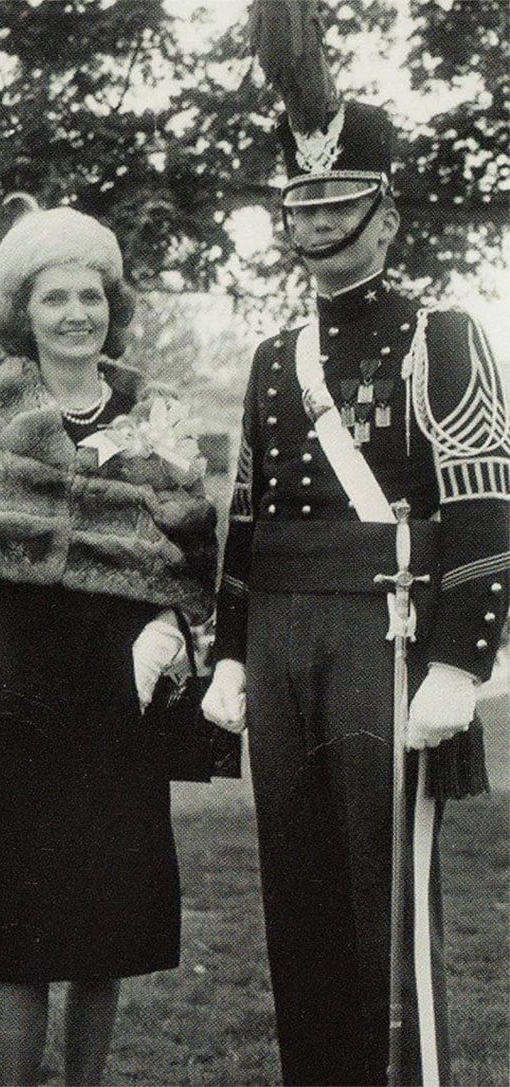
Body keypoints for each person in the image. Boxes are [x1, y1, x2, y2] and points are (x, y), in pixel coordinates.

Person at [202, 99, 509, 1085]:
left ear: (387, 212)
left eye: (342, 201)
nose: (321, 221)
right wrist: (232, 649)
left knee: (388, 904)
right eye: (303, 202)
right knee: (298, 898)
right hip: (283, 633)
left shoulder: (447, 336)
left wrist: (462, 661)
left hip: (389, 630)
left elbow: (485, 507)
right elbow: (246, 518)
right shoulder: (269, 358)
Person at [0, 203, 216, 1086]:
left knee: (106, 925)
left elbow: (195, 554)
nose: (77, 313)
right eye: (56, 298)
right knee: (19, 929)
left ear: (110, 307)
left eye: (92, 295)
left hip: (120, 681)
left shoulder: (153, 414)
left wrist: (157, 641)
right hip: (21, 678)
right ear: (24, 310)